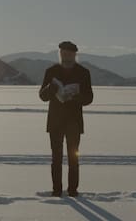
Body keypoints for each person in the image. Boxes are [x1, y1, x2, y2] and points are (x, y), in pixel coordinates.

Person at [38, 41, 94, 197]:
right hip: (55, 121)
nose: (66, 56)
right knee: (56, 158)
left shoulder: (83, 72)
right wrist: (51, 88)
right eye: (63, 53)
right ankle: (56, 191)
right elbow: (42, 96)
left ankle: (73, 191)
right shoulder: (51, 71)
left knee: (73, 158)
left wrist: (75, 97)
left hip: (74, 122)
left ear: (75, 55)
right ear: (60, 54)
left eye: (69, 53)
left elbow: (89, 98)